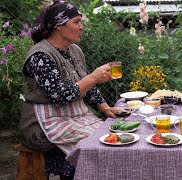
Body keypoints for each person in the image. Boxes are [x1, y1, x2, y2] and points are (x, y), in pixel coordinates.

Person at [20, 1, 116, 179]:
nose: (81, 27)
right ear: (58, 26)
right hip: (42, 123)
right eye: (76, 22)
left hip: (73, 117)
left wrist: (106, 108)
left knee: (110, 134)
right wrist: (93, 77)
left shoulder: (75, 50)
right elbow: (61, 96)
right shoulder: (40, 56)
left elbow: (87, 86)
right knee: (97, 143)